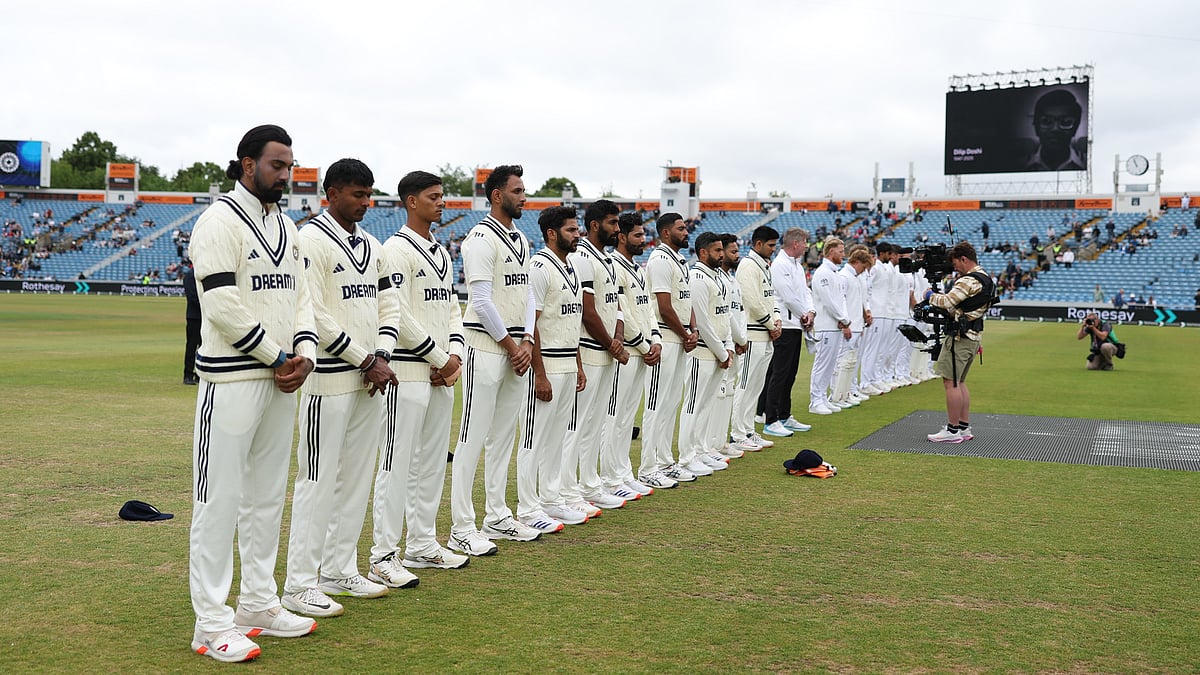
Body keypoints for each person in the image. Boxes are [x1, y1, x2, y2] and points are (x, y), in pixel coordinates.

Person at [187, 124, 318, 662]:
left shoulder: (286, 226)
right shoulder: (218, 220)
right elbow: (221, 305)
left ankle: (259, 603)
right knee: (218, 500)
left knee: (265, 498)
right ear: (247, 165)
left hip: (282, 379)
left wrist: (305, 352)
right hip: (232, 378)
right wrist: (278, 356)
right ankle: (210, 623)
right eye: (276, 165)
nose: (285, 175)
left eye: (290, 166)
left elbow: (302, 298)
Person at [282, 158, 399, 618]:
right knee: (317, 480)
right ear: (331, 194)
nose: (366, 202)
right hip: (329, 378)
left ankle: (339, 569)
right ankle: (299, 583)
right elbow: (313, 312)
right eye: (357, 194)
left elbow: (389, 305)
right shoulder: (309, 239)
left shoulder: (373, 245)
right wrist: (364, 358)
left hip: (370, 380)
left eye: (369, 194)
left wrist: (381, 355)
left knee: (355, 478)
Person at [369, 171, 469, 591]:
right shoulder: (395, 250)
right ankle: (382, 556)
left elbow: (452, 307)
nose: (441, 202)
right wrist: (439, 357)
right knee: (396, 464)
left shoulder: (440, 251)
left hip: (440, 374)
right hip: (408, 371)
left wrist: (455, 354)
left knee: (430, 462)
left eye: (442, 196)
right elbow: (397, 314)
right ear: (411, 201)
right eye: (433, 196)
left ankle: (423, 543)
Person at [450, 165, 543, 555]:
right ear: (497, 196)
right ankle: (461, 527)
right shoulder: (480, 238)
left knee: (504, 436)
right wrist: (512, 345)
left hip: (516, 349)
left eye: (524, 190)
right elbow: (481, 301)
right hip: (486, 346)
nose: (524, 197)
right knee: (472, 436)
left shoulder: (520, 238)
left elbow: (529, 295)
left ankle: (497, 516)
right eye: (517, 191)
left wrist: (527, 340)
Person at [516, 206, 588, 532]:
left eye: (577, 228)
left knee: (557, 438)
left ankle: (551, 499)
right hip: (545, 366)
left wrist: (578, 365)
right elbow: (531, 323)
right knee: (533, 439)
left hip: (567, 364)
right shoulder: (540, 267)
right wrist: (540, 374)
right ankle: (527, 509)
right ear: (551, 233)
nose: (577, 234)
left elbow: (572, 322)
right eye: (571, 230)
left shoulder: (570, 266)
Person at [562, 199, 637, 512]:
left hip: (606, 352)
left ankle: (589, 485)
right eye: (612, 223)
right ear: (594, 225)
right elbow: (587, 311)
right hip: (589, 351)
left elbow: (616, 306)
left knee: (594, 424)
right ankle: (567, 492)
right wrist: (611, 343)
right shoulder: (582, 257)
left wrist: (618, 338)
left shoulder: (607, 259)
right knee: (576, 426)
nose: (617, 229)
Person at [607, 214, 671, 489]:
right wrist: (646, 345)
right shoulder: (613, 266)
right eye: (637, 235)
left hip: (643, 351)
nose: (643, 240)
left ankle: (623, 474)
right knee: (614, 418)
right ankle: (610, 478)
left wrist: (656, 339)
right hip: (627, 352)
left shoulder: (638, 269)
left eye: (644, 234)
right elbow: (621, 313)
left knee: (626, 419)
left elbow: (647, 311)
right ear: (621, 237)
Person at [639, 213, 698, 485]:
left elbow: (687, 302)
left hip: (681, 338)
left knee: (671, 403)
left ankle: (664, 462)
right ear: (665, 233)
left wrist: (693, 330)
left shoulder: (680, 260)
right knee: (655, 405)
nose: (686, 232)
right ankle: (647, 468)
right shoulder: (660, 260)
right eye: (681, 228)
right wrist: (686, 333)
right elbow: (664, 307)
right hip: (664, 337)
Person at [676, 232, 734, 477]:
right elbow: (702, 321)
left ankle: (700, 450)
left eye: (722, 250)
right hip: (702, 352)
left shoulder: (718, 277)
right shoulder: (697, 278)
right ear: (703, 252)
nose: (721, 254)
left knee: (707, 404)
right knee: (693, 405)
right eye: (717, 250)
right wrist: (722, 352)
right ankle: (686, 457)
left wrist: (728, 346)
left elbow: (724, 316)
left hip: (718, 351)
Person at [922, 242, 992, 444]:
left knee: (951, 382)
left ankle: (952, 430)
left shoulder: (968, 280)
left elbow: (947, 302)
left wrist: (929, 295)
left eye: (956, 264)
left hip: (960, 337)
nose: (955, 269)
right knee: (959, 382)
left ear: (964, 259)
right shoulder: (986, 278)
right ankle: (963, 427)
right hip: (973, 336)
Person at [730, 226, 782, 450]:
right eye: (770, 245)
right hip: (753, 333)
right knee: (745, 384)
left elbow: (771, 298)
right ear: (758, 243)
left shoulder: (764, 266)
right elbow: (752, 301)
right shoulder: (748, 266)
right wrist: (772, 324)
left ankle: (748, 429)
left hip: (765, 334)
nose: (773, 249)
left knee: (756, 385)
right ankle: (737, 434)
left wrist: (777, 319)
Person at [760, 228, 814, 437]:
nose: (806, 246)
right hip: (785, 324)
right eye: (805, 243)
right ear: (796, 243)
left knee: (790, 373)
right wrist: (804, 314)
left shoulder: (797, 265)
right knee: (780, 373)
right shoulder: (780, 265)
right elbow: (788, 296)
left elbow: (805, 292)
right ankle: (770, 418)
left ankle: (784, 414)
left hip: (796, 324)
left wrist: (810, 312)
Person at [808, 237, 852, 415]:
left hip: (835, 325)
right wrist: (843, 319)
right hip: (825, 325)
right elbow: (828, 302)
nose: (843, 255)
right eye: (840, 251)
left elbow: (840, 300)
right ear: (831, 251)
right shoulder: (822, 273)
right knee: (822, 364)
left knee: (830, 365)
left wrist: (843, 318)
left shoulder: (835, 273)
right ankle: (815, 401)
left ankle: (823, 397)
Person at [1024, 89, 1086, 171]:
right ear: (1036, 127)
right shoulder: (1018, 164)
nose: (1055, 129)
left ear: (1075, 128)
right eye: (1046, 121)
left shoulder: (1089, 163)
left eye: (1066, 122)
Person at [182, 265, 201, 385]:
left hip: (205, 316)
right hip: (194, 316)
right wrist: (206, 305)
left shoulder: (204, 272)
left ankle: (200, 374)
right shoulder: (190, 275)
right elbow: (192, 296)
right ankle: (188, 374)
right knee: (192, 346)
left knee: (204, 346)